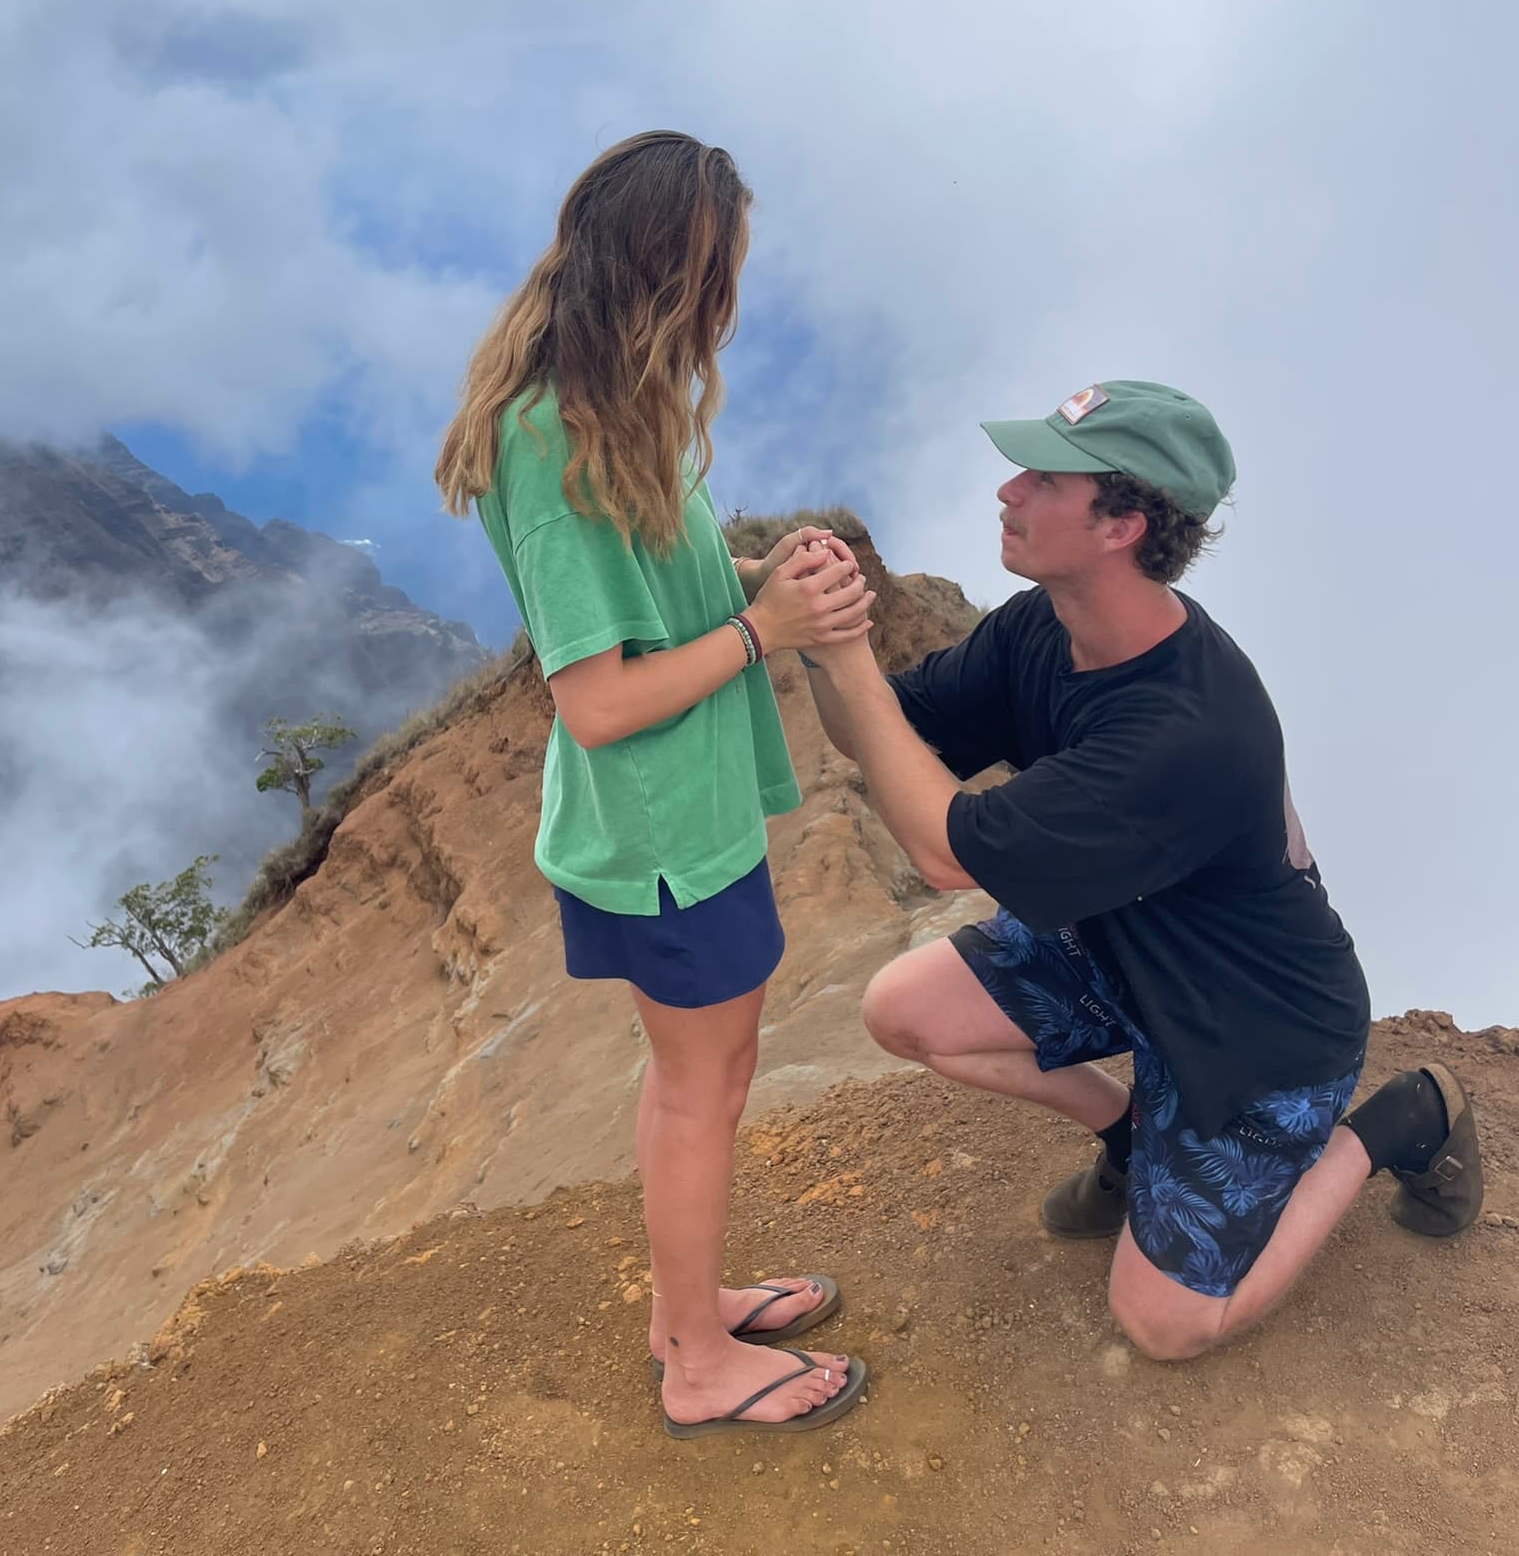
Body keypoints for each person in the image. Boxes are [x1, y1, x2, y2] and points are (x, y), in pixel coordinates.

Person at [796, 379, 1482, 1359]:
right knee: (904, 1008)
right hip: (1132, 947)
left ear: (1123, 521)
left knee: (1164, 1322)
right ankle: (1131, 1138)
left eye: (1042, 477)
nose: (1008, 490)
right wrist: (819, 637)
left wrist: (845, 652)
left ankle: (1397, 1116)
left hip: (1259, 1035)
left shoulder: (1187, 730)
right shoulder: (1044, 625)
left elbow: (944, 850)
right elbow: (880, 729)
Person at [434, 131, 872, 1435]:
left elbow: (650, 601)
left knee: (708, 1078)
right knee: (700, 1086)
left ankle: (690, 1305)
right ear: (680, 274)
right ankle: (694, 1363)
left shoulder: (610, 410)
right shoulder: (557, 455)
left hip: (687, 821)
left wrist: (752, 580)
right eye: (723, 266)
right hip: (661, 835)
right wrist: (766, 638)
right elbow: (598, 699)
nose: (732, 296)